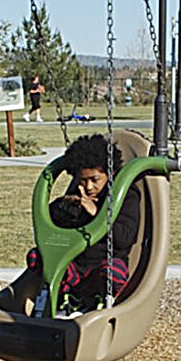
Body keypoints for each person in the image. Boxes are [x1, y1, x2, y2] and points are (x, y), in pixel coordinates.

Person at [26, 133, 143, 313]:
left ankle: (96, 304)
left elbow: (125, 237)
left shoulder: (125, 194)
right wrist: (64, 206)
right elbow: (51, 223)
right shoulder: (79, 191)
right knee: (38, 257)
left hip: (103, 262)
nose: (88, 187)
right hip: (75, 261)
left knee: (115, 272)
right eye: (82, 180)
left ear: (110, 173)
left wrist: (96, 213)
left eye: (95, 180)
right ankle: (64, 300)